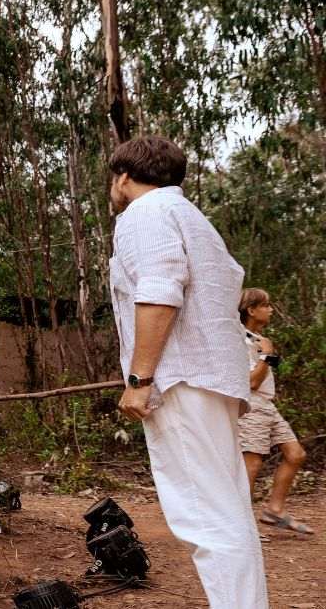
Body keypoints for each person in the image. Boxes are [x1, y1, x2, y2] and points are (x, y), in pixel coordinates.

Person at [108, 135, 268, 607]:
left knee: (206, 517)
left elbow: (160, 291)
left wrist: (139, 380)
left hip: (178, 379)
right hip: (211, 379)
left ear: (123, 177)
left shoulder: (145, 213)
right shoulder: (192, 218)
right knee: (227, 511)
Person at [238, 288, 313, 534]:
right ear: (251, 310)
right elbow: (251, 381)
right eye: (266, 305)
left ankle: (274, 510)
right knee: (251, 465)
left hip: (267, 405)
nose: (271, 309)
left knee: (296, 454)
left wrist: (269, 354)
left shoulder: (257, 338)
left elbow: (274, 367)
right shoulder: (239, 338)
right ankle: (242, 527)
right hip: (251, 406)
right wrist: (267, 354)